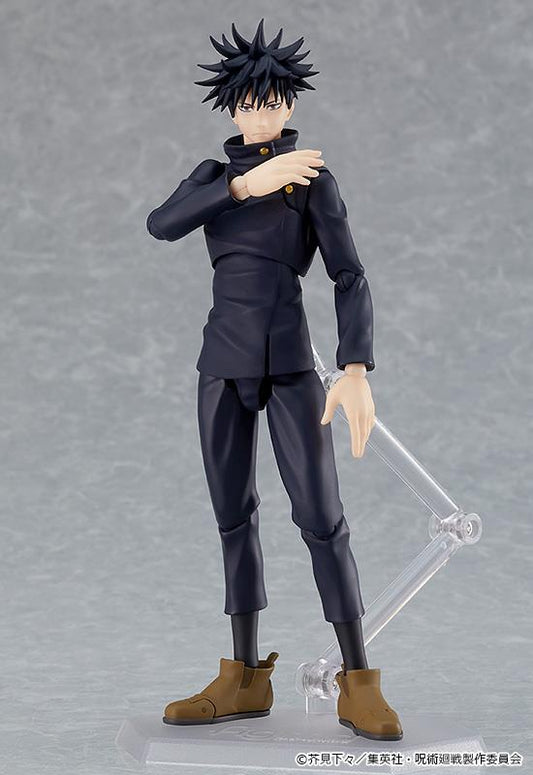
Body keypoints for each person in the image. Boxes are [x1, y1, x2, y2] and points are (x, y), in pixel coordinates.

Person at [146, 19, 402, 741]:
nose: (263, 113)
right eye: (250, 101)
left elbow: (349, 275)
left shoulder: (311, 180)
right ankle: (243, 675)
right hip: (221, 364)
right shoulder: (213, 179)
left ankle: (358, 679)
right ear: (232, 108)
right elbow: (161, 224)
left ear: (289, 105)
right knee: (233, 518)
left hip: (290, 364)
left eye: (275, 100)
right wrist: (240, 186)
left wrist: (355, 367)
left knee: (322, 518)